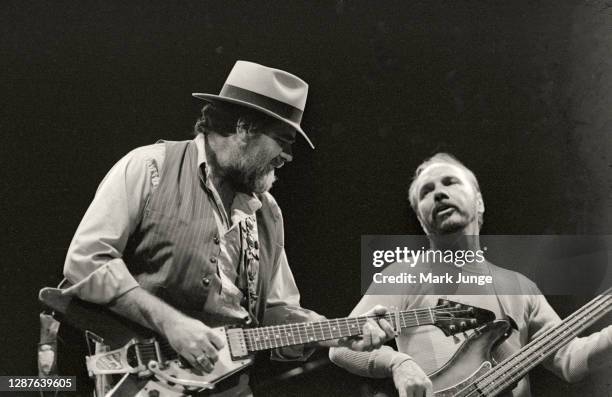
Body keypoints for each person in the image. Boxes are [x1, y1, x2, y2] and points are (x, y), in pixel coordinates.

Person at [61, 61, 395, 396]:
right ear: (245, 126)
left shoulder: (268, 213)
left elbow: (276, 311)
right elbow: (87, 260)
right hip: (141, 381)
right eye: (283, 140)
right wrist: (171, 322)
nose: (287, 157)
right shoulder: (150, 167)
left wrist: (336, 332)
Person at [329, 153, 612, 397]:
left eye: (450, 182)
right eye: (426, 191)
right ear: (420, 220)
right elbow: (341, 348)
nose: (438, 193)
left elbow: (570, 359)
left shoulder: (520, 287)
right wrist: (398, 363)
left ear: (479, 202)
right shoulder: (403, 274)